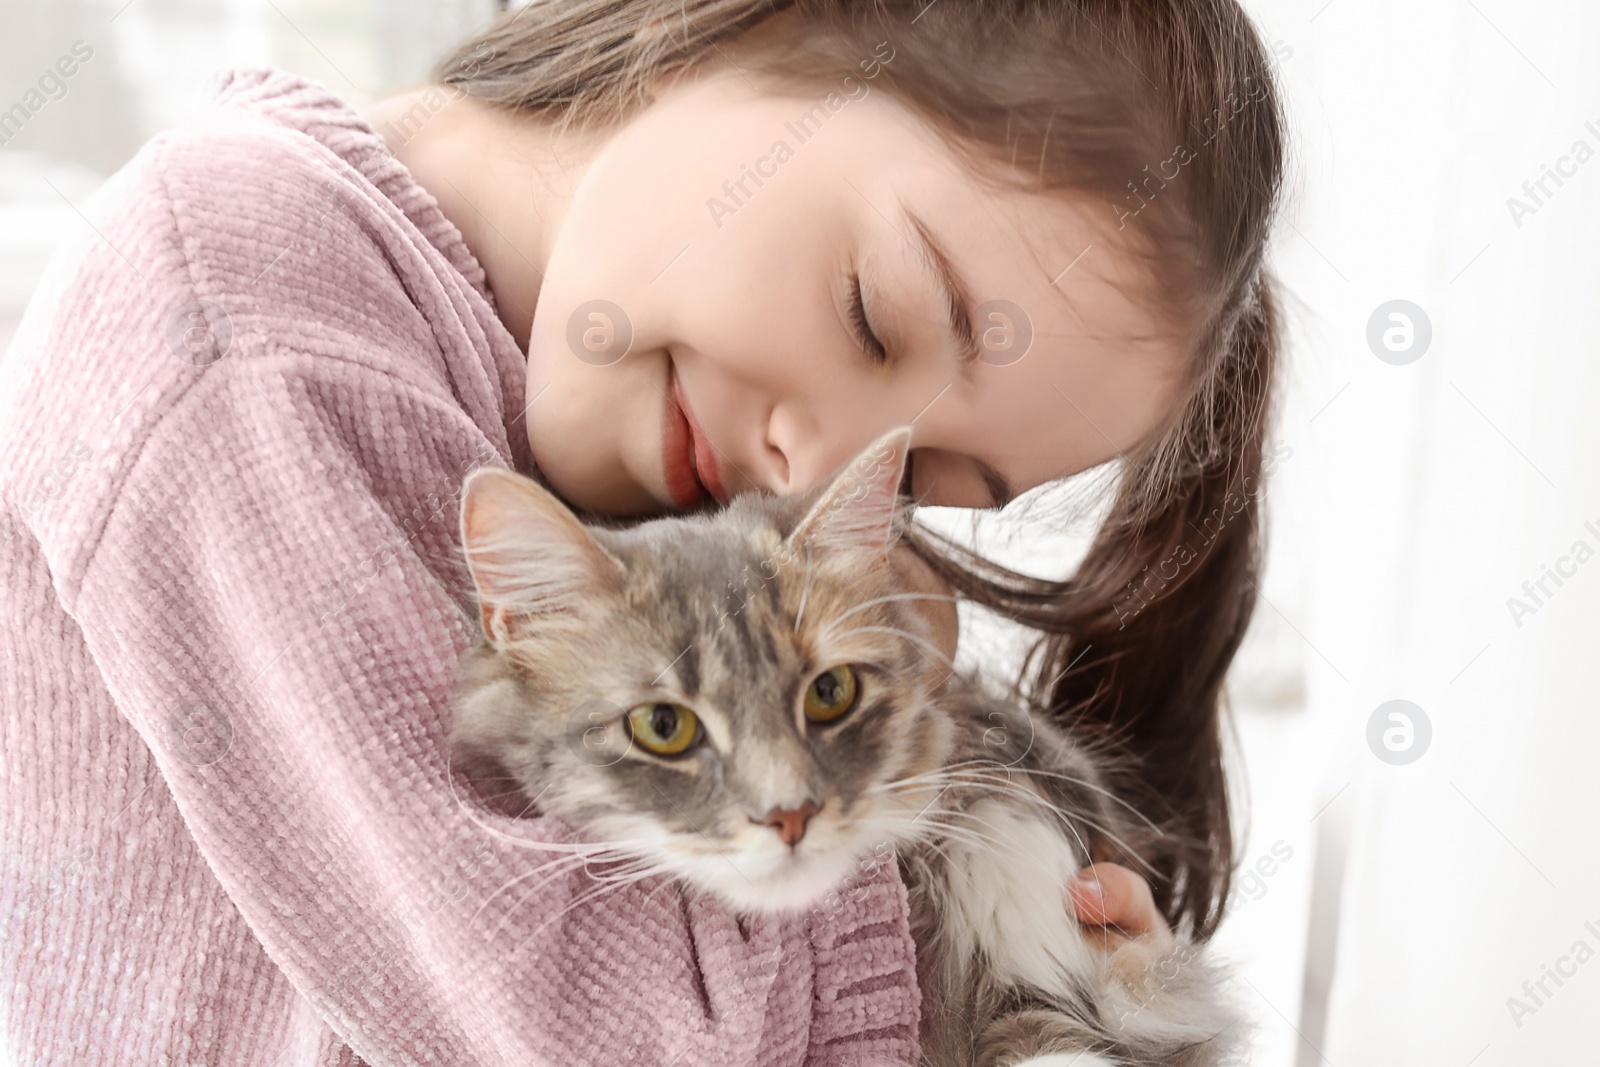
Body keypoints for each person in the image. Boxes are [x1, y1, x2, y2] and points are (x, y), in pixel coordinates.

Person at [0, 0, 1284, 1063]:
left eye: (933, 472)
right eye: (873, 316)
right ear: (732, 29)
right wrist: (918, 905)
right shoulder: (239, 304)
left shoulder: (671, 533)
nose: (825, 466)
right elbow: (623, 1032)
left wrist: (1032, 957)